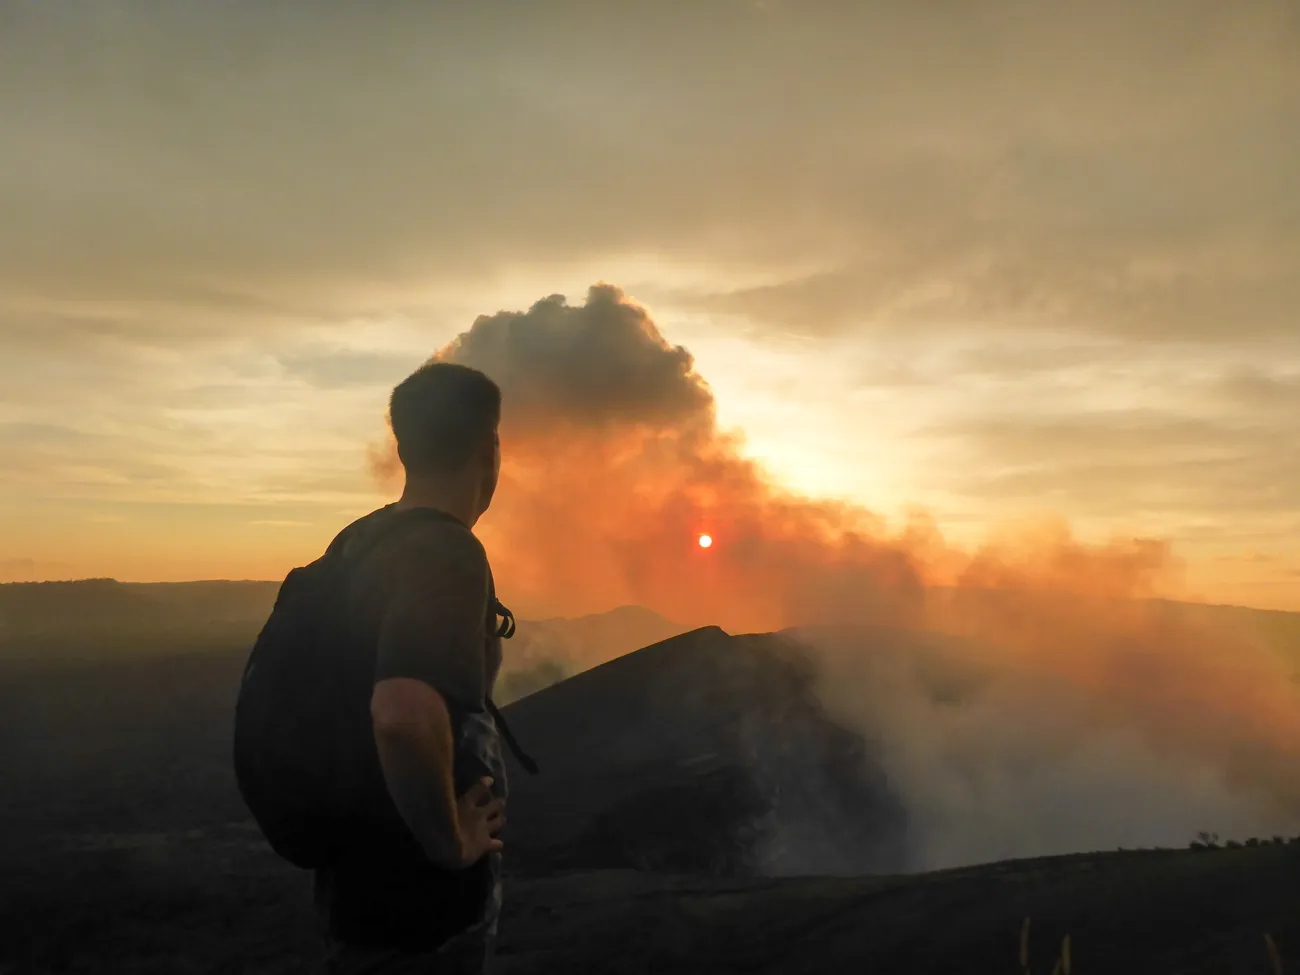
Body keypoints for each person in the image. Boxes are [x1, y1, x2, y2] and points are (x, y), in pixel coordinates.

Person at [315, 361, 514, 974]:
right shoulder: (447, 550)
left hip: (354, 883)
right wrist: (451, 844)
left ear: (403, 447)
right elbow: (400, 713)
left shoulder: (360, 541)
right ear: (490, 448)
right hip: (423, 907)